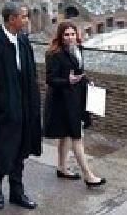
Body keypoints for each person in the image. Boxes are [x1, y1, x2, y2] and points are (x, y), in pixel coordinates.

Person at [0, 1, 42, 210]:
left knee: (20, 151)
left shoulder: (23, 41)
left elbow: (30, 73)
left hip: (23, 107)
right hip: (4, 112)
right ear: (12, 19)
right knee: (3, 151)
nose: (26, 20)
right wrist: (3, 108)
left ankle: (16, 191)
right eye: (23, 16)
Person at [43, 22, 106, 188]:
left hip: (76, 99)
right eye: (66, 35)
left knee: (65, 136)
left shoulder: (79, 49)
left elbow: (79, 72)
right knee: (76, 137)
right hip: (62, 102)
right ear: (60, 36)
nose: (70, 38)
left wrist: (87, 81)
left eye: (72, 34)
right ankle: (89, 176)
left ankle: (62, 167)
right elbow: (50, 79)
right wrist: (67, 81)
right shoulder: (54, 54)